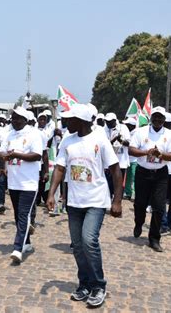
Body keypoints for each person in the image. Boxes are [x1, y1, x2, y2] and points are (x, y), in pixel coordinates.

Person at [47, 103, 123, 308]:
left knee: (89, 240)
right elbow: (60, 168)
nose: (66, 122)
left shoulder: (100, 140)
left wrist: (117, 200)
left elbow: (116, 170)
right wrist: (52, 193)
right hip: (74, 201)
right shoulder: (67, 141)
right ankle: (85, 284)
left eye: (70, 119)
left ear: (80, 121)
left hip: (96, 200)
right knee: (78, 247)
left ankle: (99, 285)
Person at [128, 107, 171, 252]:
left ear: (164, 119)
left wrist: (160, 154)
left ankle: (154, 238)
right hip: (143, 172)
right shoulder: (141, 132)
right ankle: (139, 222)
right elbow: (131, 150)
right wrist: (146, 152)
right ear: (151, 118)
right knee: (140, 203)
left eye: (160, 117)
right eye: (155, 117)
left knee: (159, 206)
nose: (157, 120)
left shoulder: (169, 135)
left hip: (160, 173)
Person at [0, 106, 42, 264]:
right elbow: (0, 152)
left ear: (25, 119)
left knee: (23, 215)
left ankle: (17, 248)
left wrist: (17, 154)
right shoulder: (9, 134)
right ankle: (27, 243)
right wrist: (5, 155)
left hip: (28, 183)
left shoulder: (33, 134)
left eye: (18, 118)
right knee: (18, 215)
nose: (14, 121)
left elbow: (37, 155)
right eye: (13, 118)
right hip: (13, 182)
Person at [104, 113, 130, 197]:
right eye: (106, 121)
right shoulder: (104, 129)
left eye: (110, 121)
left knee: (119, 183)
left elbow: (129, 143)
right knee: (109, 183)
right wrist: (113, 139)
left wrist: (120, 140)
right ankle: (109, 199)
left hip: (121, 161)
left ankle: (118, 199)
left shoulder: (123, 128)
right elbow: (104, 144)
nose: (108, 123)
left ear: (115, 121)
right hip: (108, 162)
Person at [123, 117, 137, 200]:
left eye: (127, 124)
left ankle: (134, 193)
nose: (126, 126)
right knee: (128, 177)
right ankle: (128, 192)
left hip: (135, 159)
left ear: (132, 125)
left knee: (134, 177)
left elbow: (130, 144)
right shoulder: (128, 132)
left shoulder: (136, 133)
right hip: (128, 159)